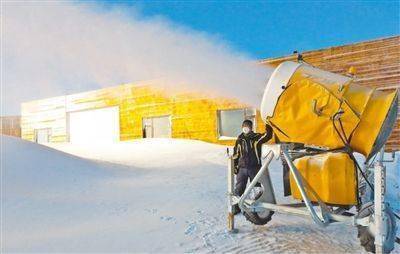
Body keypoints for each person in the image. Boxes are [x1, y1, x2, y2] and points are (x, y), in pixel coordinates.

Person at [232, 119, 273, 214]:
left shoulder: (256, 138)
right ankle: (236, 206)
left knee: (256, 188)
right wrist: (235, 165)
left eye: (247, 126)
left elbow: (267, 135)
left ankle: (256, 207)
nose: (245, 128)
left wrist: (268, 125)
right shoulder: (239, 140)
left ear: (251, 128)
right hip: (242, 168)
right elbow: (236, 154)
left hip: (254, 168)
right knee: (239, 187)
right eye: (244, 127)